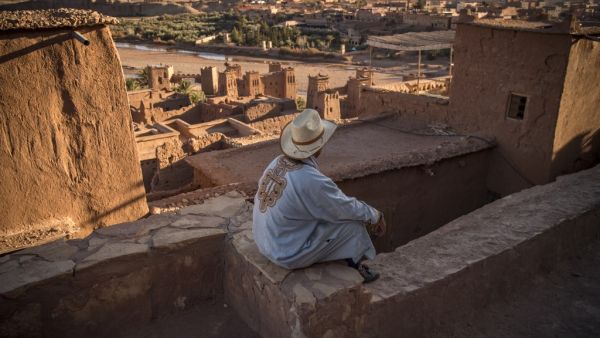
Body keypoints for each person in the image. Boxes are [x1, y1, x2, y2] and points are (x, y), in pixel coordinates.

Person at [252, 109, 386, 283]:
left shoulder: (277, 162)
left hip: (264, 241)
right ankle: (355, 269)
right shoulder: (311, 180)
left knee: (329, 216)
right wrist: (375, 215)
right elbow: (344, 208)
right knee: (353, 225)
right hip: (285, 252)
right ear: (318, 146)